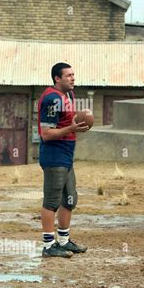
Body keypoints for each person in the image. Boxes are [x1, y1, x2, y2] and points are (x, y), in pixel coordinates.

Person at [38, 62, 89, 258]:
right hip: (54, 155)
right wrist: (71, 129)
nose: (73, 78)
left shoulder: (68, 95)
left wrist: (82, 120)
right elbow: (46, 134)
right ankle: (49, 246)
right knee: (51, 201)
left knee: (69, 199)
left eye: (73, 74)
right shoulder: (52, 98)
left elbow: (68, 120)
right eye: (68, 75)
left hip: (67, 154)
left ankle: (64, 241)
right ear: (57, 79)